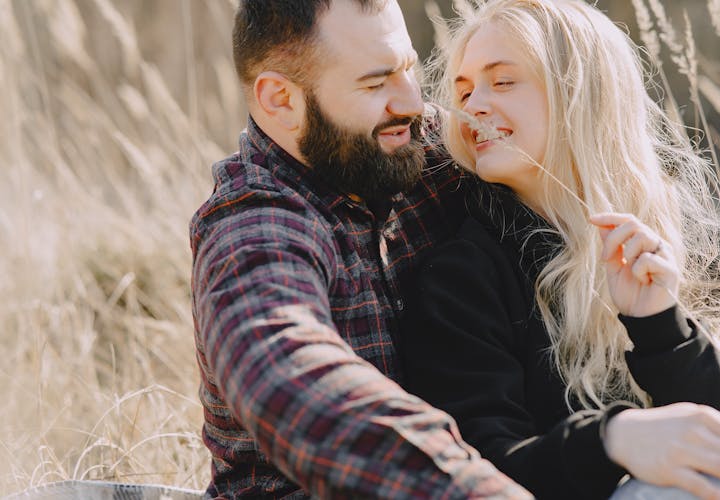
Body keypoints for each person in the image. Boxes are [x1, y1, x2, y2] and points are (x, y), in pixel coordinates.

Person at [400, 1, 720, 499]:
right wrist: (611, 439)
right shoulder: (461, 281)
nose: (472, 104)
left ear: (581, 90)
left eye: (502, 82)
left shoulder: (712, 253)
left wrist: (661, 327)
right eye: (463, 89)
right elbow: (474, 470)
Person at [189, 0, 531, 498]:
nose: (412, 102)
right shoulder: (253, 223)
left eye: (409, 69)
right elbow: (287, 381)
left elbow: (568, 147)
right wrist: (477, 490)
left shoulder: (426, 148)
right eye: (375, 84)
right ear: (280, 100)